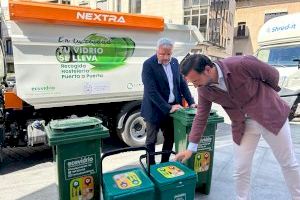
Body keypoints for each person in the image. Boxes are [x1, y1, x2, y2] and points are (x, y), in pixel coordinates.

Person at [175, 54, 300, 199]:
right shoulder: (204, 89)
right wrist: (191, 148)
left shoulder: (241, 64)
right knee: (241, 169)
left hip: (271, 116)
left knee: (288, 163)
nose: (196, 86)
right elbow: (201, 116)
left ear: (208, 69)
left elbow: (273, 75)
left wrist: (266, 96)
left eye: (196, 81)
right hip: (242, 125)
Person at [141, 38, 196, 165]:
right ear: (157, 51)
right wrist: (167, 107)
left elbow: (182, 84)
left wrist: (191, 102)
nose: (166, 57)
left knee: (170, 138)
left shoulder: (175, 63)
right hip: (154, 109)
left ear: (172, 52)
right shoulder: (148, 64)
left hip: (173, 109)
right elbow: (151, 91)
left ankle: (164, 164)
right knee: (151, 140)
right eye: (162, 54)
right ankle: (151, 166)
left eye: (169, 54)